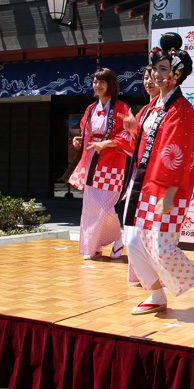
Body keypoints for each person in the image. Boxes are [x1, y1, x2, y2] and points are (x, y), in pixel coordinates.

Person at [122, 38, 194, 317]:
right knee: (133, 242)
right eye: (155, 69)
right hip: (142, 184)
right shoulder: (151, 107)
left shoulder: (182, 110)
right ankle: (155, 294)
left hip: (166, 190)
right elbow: (141, 148)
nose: (157, 75)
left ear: (177, 74)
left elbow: (176, 152)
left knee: (162, 247)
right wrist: (132, 130)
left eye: (164, 69)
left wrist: (169, 192)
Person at [68, 68, 134, 259]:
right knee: (90, 207)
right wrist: (81, 139)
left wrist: (106, 143)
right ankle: (93, 245)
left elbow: (127, 134)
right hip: (92, 161)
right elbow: (86, 130)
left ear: (111, 84)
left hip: (112, 162)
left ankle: (116, 239)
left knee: (105, 205)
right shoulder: (90, 108)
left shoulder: (121, 107)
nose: (97, 85)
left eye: (102, 82)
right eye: (95, 81)